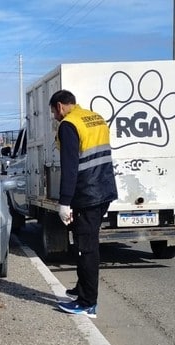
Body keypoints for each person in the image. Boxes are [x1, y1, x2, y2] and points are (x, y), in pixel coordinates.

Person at [49, 90, 118, 318]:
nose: (54, 117)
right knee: (86, 243)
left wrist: (64, 202)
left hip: (87, 194)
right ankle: (82, 288)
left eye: (53, 112)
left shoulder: (68, 125)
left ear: (60, 106)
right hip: (105, 189)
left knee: (85, 248)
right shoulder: (94, 117)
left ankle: (88, 303)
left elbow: (70, 167)